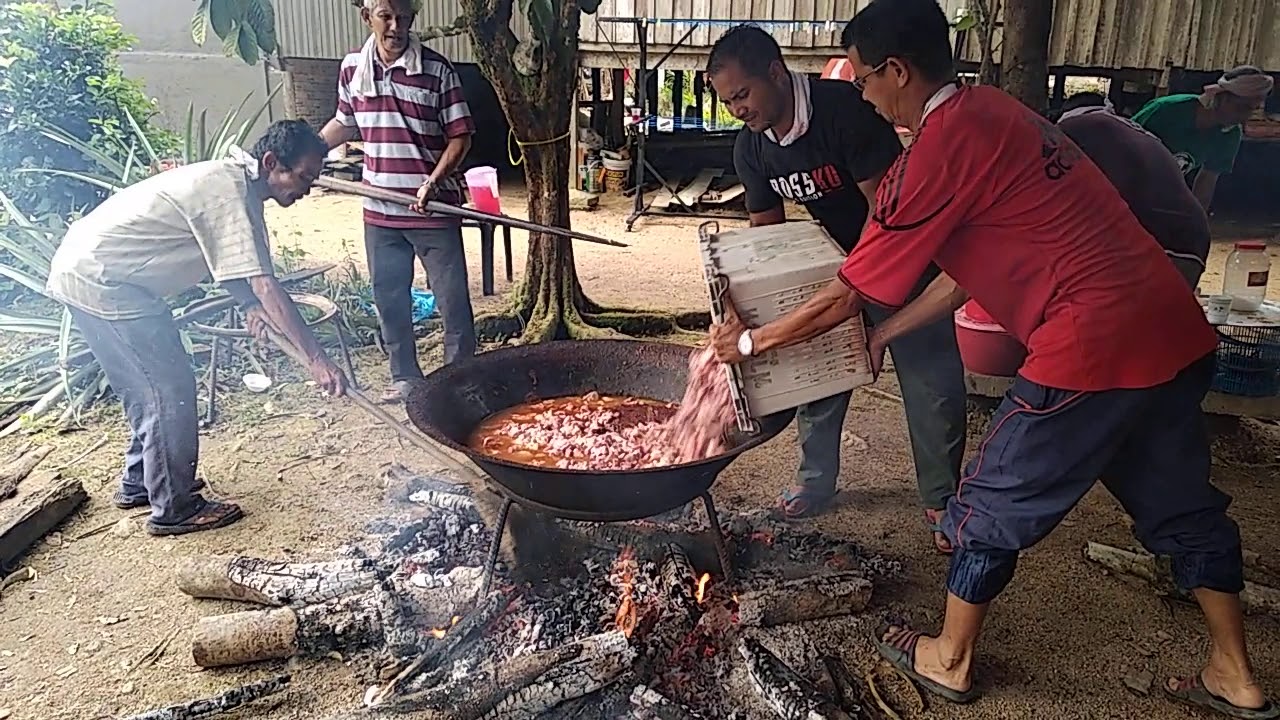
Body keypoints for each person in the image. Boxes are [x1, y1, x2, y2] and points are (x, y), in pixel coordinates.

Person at [708, 1, 1276, 717]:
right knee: (1179, 503)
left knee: (988, 498)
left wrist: (751, 342)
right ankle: (1234, 673)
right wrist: (886, 336)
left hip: (1092, 343)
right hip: (1166, 325)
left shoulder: (935, 152)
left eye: (863, 79)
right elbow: (961, 276)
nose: (859, 93)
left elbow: (844, 295)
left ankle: (949, 658)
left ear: (897, 71)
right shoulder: (998, 115)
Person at [705, 25, 967, 551]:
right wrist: (772, 299)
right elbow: (768, 237)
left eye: (742, 94)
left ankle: (942, 499)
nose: (737, 109)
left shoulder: (844, 112)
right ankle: (814, 480)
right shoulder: (751, 149)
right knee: (815, 373)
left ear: (775, 73)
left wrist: (856, 289)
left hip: (906, 257)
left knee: (930, 381)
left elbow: (886, 210)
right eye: (727, 100)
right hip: (836, 265)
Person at [45, 120, 349, 536]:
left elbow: (225, 261)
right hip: (107, 283)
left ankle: (142, 483)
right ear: (271, 162)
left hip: (90, 272)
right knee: (167, 391)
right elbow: (266, 283)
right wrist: (318, 360)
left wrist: (247, 305)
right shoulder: (230, 195)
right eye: (304, 177)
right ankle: (175, 506)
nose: (308, 188)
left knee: (146, 387)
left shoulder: (233, 186)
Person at [320, 0, 477, 404]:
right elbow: (345, 122)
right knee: (389, 299)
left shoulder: (437, 71)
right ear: (367, 17)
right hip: (379, 212)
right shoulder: (352, 69)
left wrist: (432, 181)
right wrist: (308, 152)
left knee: (452, 301)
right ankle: (405, 377)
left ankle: (458, 382)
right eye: (386, 16)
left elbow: (461, 135)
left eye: (404, 17)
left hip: (433, 211)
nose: (395, 26)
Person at [1054, 92, 1211, 288]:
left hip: (1153, 241)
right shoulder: (1133, 132)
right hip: (1194, 239)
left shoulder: (1072, 129)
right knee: (1159, 315)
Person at [1132, 66, 1274, 211]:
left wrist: (1196, 222)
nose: (1244, 117)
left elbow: (1206, 182)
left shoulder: (1229, 135)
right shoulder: (1166, 109)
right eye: (1241, 108)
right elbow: (1119, 141)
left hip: (1157, 198)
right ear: (1223, 97)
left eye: (1251, 110)